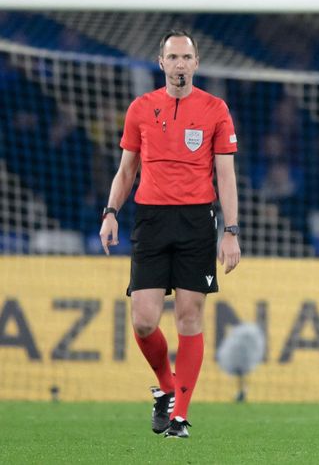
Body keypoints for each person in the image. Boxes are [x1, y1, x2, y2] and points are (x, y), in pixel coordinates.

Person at [99, 29, 241, 439]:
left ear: (197, 63)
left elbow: (226, 177)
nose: (180, 64)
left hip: (197, 221)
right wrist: (111, 213)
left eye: (186, 57)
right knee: (143, 321)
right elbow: (127, 170)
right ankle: (165, 386)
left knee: (189, 316)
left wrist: (230, 231)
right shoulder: (141, 108)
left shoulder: (215, 109)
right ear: (160, 63)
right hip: (151, 219)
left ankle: (180, 414)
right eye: (173, 57)